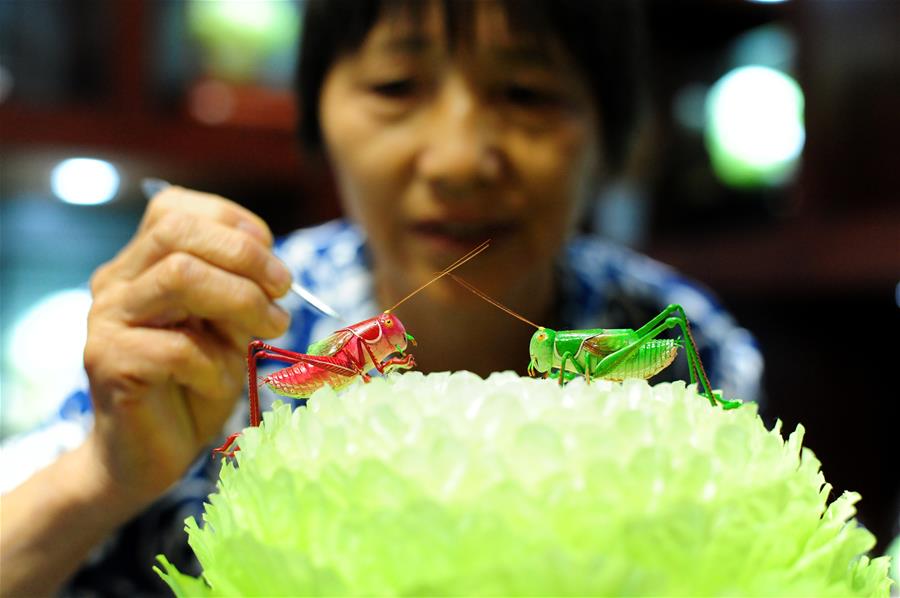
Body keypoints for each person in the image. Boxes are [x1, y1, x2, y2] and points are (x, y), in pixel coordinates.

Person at [0, 0, 763, 595]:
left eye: (527, 92)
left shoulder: (692, 339)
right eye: (396, 86)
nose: (459, 159)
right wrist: (104, 472)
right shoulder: (218, 331)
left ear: (616, 136)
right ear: (319, 114)